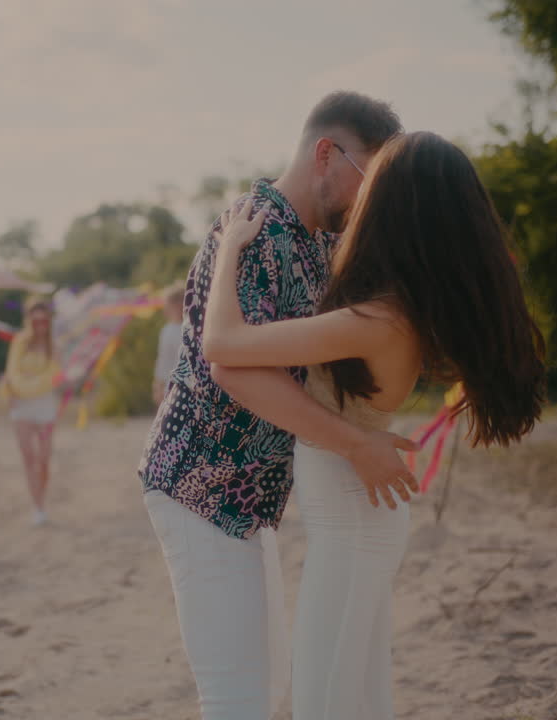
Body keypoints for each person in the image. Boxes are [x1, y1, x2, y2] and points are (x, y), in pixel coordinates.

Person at [203, 131, 547, 719]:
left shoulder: (377, 318)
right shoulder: (400, 305)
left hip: (353, 521)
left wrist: (228, 248)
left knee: (326, 696)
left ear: (391, 206)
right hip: (360, 513)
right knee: (354, 694)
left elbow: (223, 344)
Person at [137, 91, 414, 719]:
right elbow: (235, 370)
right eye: (367, 178)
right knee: (239, 698)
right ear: (326, 154)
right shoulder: (259, 228)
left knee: (263, 694)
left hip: (243, 496)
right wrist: (357, 445)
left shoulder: (313, 242)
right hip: (199, 486)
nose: (367, 198)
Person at [0, 297, 61, 526]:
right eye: (35, 319)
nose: (40, 324)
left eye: (43, 319)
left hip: (45, 408)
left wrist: (29, 382)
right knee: (29, 457)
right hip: (21, 408)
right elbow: (12, 373)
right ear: (28, 320)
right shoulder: (19, 342)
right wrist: (23, 385)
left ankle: (41, 497)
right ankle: (38, 507)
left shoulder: (55, 346)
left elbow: (52, 378)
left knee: (44, 459)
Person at [152, 283, 185, 407]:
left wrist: (158, 385)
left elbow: (163, 361)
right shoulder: (169, 330)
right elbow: (163, 361)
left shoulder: (169, 330)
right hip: (176, 386)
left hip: (175, 386)